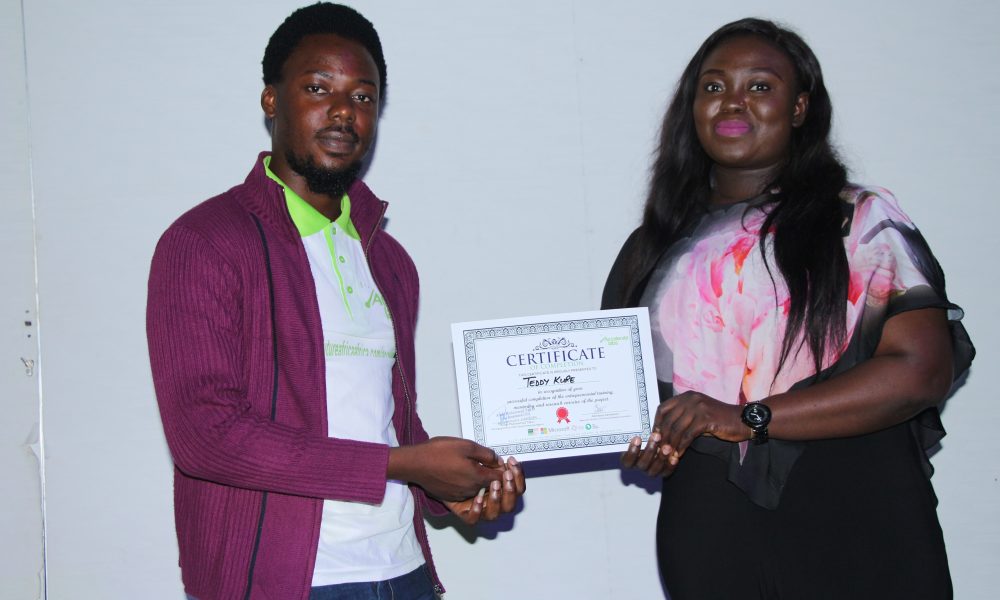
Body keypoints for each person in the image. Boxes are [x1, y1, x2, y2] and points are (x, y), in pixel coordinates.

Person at [146, 4, 524, 599]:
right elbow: (205, 434)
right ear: (272, 100)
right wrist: (401, 466)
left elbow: (388, 419)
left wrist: (446, 487)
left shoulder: (389, 259)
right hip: (283, 580)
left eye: (363, 96)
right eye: (319, 88)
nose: (344, 111)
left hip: (402, 572)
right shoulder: (205, 242)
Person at [604, 18, 974, 599]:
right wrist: (653, 439)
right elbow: (624, 401)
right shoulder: (650, 251)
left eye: (760, 86)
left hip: (857, 519)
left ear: (799, 108)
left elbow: (920, 371)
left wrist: (747, 416)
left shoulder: (857, 221)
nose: (733, 102)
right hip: (709, 534)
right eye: (713, 86)